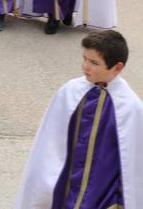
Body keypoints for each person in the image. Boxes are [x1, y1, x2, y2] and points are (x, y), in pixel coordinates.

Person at [15, 30, 143, 208]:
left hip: (102, 194)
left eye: (94, 63)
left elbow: (133, 165)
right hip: (65, 185)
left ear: (117, 68)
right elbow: (49, 144)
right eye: (84, 58)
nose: (85, 67)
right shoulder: (70, 91)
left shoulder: (130, 107)